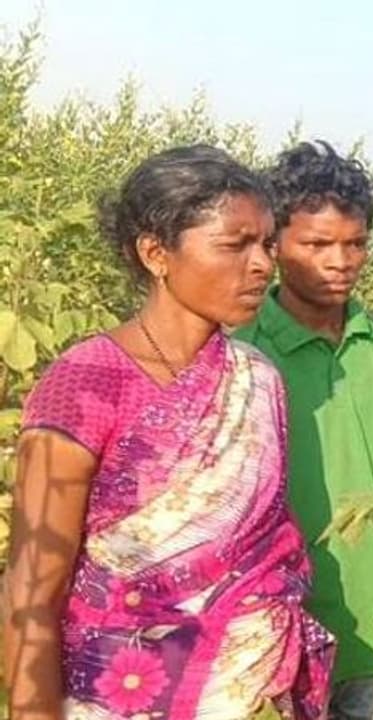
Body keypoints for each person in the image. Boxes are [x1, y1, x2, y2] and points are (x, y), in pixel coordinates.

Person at [4, 145, 333, 720]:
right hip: (118, 694)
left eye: (266, 244)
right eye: (235, 245)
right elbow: (31, 591)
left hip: (250, 692)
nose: (262, 264)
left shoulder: (258, 379)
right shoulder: (84, 384)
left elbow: (266, 546)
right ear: (156, 253)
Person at [235, 141, 373, 720]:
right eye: (317, 245)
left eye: (355, 244)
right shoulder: (241, 358)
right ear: (274, 245)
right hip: (276, 645)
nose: (340, 261)